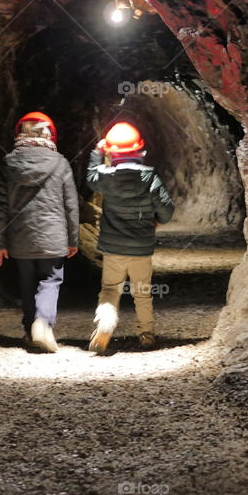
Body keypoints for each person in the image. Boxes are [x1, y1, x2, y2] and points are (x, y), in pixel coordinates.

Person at [0, 111, 79, 353]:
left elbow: (0, 207)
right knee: (50, 280)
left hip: (19, 236)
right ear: (50, 134)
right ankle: (43, 323)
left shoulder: (8, 163)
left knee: (26, 283)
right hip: (54, 235)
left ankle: (31, 330)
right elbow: (70, 205)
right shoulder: (60, 162)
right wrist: (73, 239)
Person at [86, 121, 174, 354]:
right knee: (142, 292)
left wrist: (97, 153)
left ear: (111, 151)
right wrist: (156, 220)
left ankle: (105, 323)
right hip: (141, 248)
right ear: (140, 149)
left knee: (110, 290)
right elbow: (167, 210)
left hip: (113, 248)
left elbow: (90, 178)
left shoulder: (106, 177)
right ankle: (146, 333)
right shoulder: (149, 177)